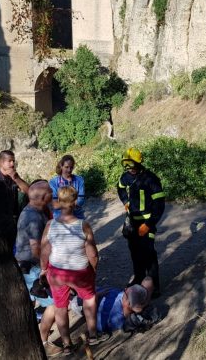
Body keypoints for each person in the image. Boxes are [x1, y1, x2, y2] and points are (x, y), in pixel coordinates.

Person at [40, 186, 108, 356]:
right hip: (80, 272)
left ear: (59, 202)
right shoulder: (83, 225)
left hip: (57, 273)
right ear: (75, 202)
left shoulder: (50, 225)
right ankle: (93, 335)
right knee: (89, 299)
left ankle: (66, 344)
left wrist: (43, 269)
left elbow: (44, 251)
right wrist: (93, 269)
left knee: (60, 307)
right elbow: (92, 254)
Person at [39, 277, 155, 342]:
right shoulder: (127, 299)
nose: (125, 289)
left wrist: (96, 296)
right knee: (148, 281)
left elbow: (93, 317)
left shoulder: (115, 319)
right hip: (92, 290)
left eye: (126, 291)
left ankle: (42, 340)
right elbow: (148, 280)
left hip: (82, 301)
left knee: (55, 306)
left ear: (128, 303)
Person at [117, 147, 165, 297]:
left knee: (149, 254)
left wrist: (149, 224)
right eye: (126, 165)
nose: (129, 169)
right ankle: (138, 278)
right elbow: (120, 187)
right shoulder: (126, 176)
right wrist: (125, 200)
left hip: (147, 222)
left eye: (131, 165)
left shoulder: (151, 179)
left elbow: (160, 205)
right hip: (132, 222)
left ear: (138, 163)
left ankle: (154, 286)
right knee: (135, 252)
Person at [15, 180, 52, 272]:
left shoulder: (35, 209)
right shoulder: (33, 218)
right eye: (50, 191)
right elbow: (36, 249)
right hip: (32, 266)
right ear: (44, 197)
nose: (53, 193)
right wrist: (46, 268)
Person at [49, 155, 86, 219]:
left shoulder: (79, 180)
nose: (69, 170)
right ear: (61, 166)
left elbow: (81, 201)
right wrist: (72, 203)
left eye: (71, 167)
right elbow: (55, 205)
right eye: (66, 167)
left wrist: (63, 204)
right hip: (60, 216)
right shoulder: (53, 182)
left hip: (77, 215)